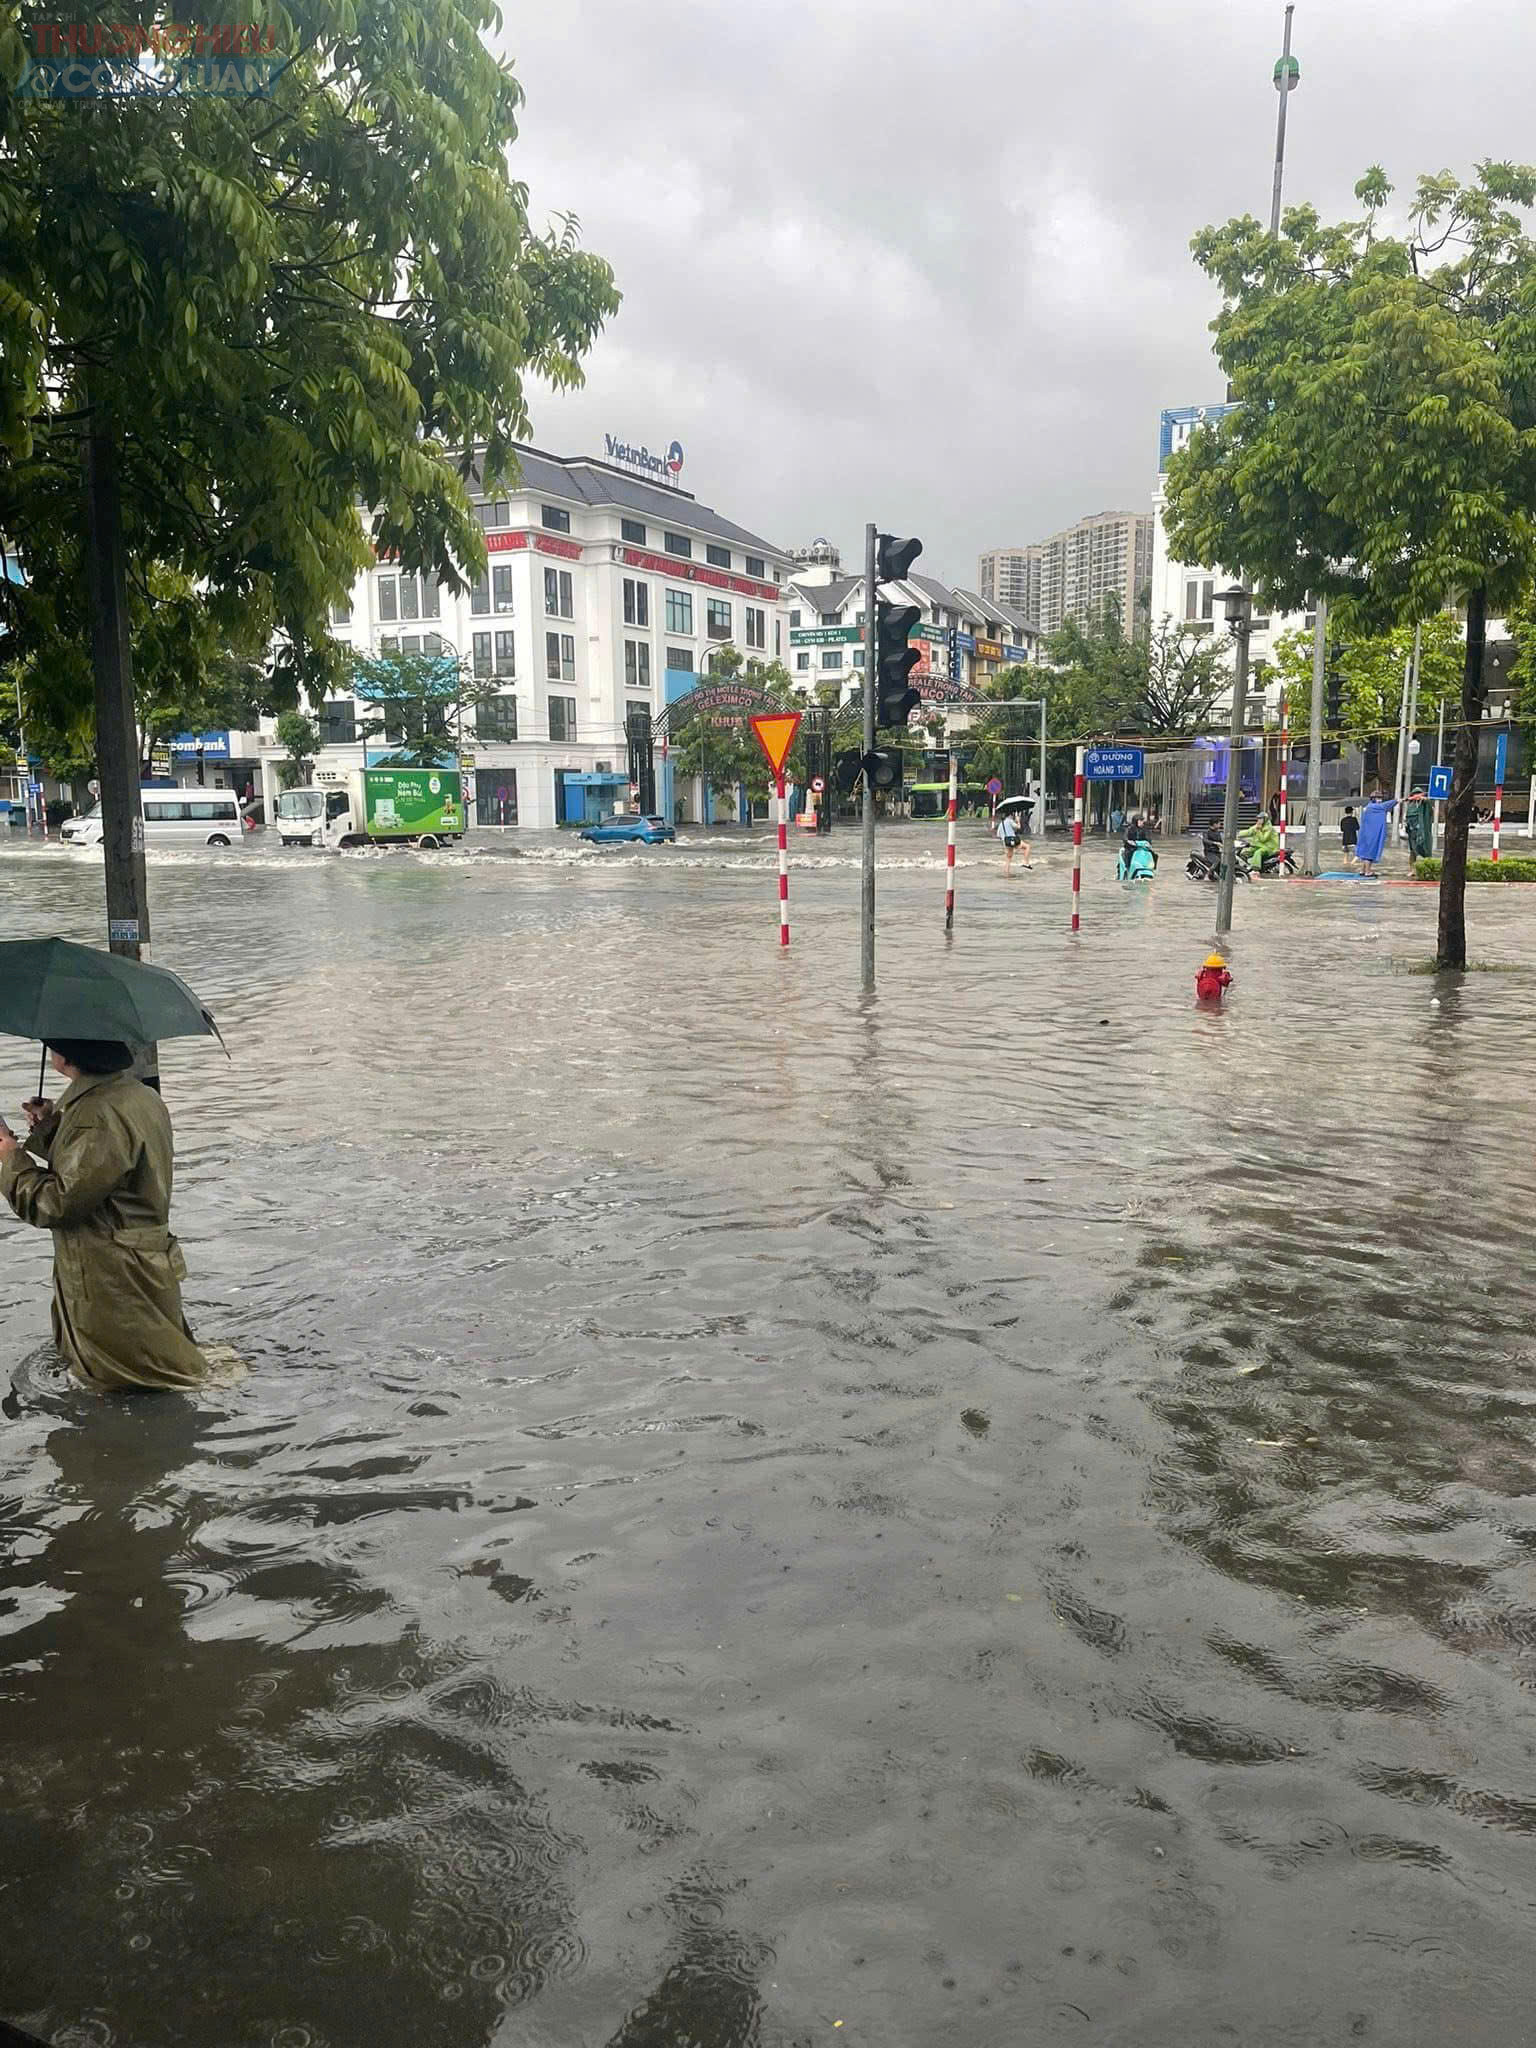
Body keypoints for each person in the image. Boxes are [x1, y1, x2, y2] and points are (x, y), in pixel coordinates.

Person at [0, 1039, 211, 1392]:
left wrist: (9, 1157)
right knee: (157, 1365)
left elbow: (56, 1204)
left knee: (127, 1381)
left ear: (67, 1056)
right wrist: (53, 1127)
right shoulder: (139, 1096)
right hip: (140, 1262)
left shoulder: (97, 1115)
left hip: (111, 1275)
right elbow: (110, 1168)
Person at [1353, 787, 1399, 876]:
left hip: (1366, 833)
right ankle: (1367, 871)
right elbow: (1388, 804)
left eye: (1380, 798)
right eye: (1378, 798)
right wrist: (1398, 800)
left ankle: (1363, 870)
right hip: (1372, 834)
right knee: (1369, 853)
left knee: (1366, 852)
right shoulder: (1377, 807)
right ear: (1373, 799)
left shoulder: (1368, 807)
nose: (1379, 800)